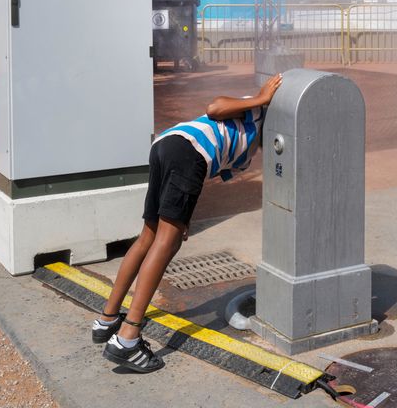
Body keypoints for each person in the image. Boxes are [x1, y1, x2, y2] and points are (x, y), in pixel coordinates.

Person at [91, 73, 285, 373]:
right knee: (165, 244)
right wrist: (262, 98)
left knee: (149, 236)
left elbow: (201, 172)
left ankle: (107, 319)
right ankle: (127, 337)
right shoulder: (257, 109)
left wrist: (183, 219)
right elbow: (215, 107)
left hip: (168, 146)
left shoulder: (251, 147)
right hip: (187, 152)